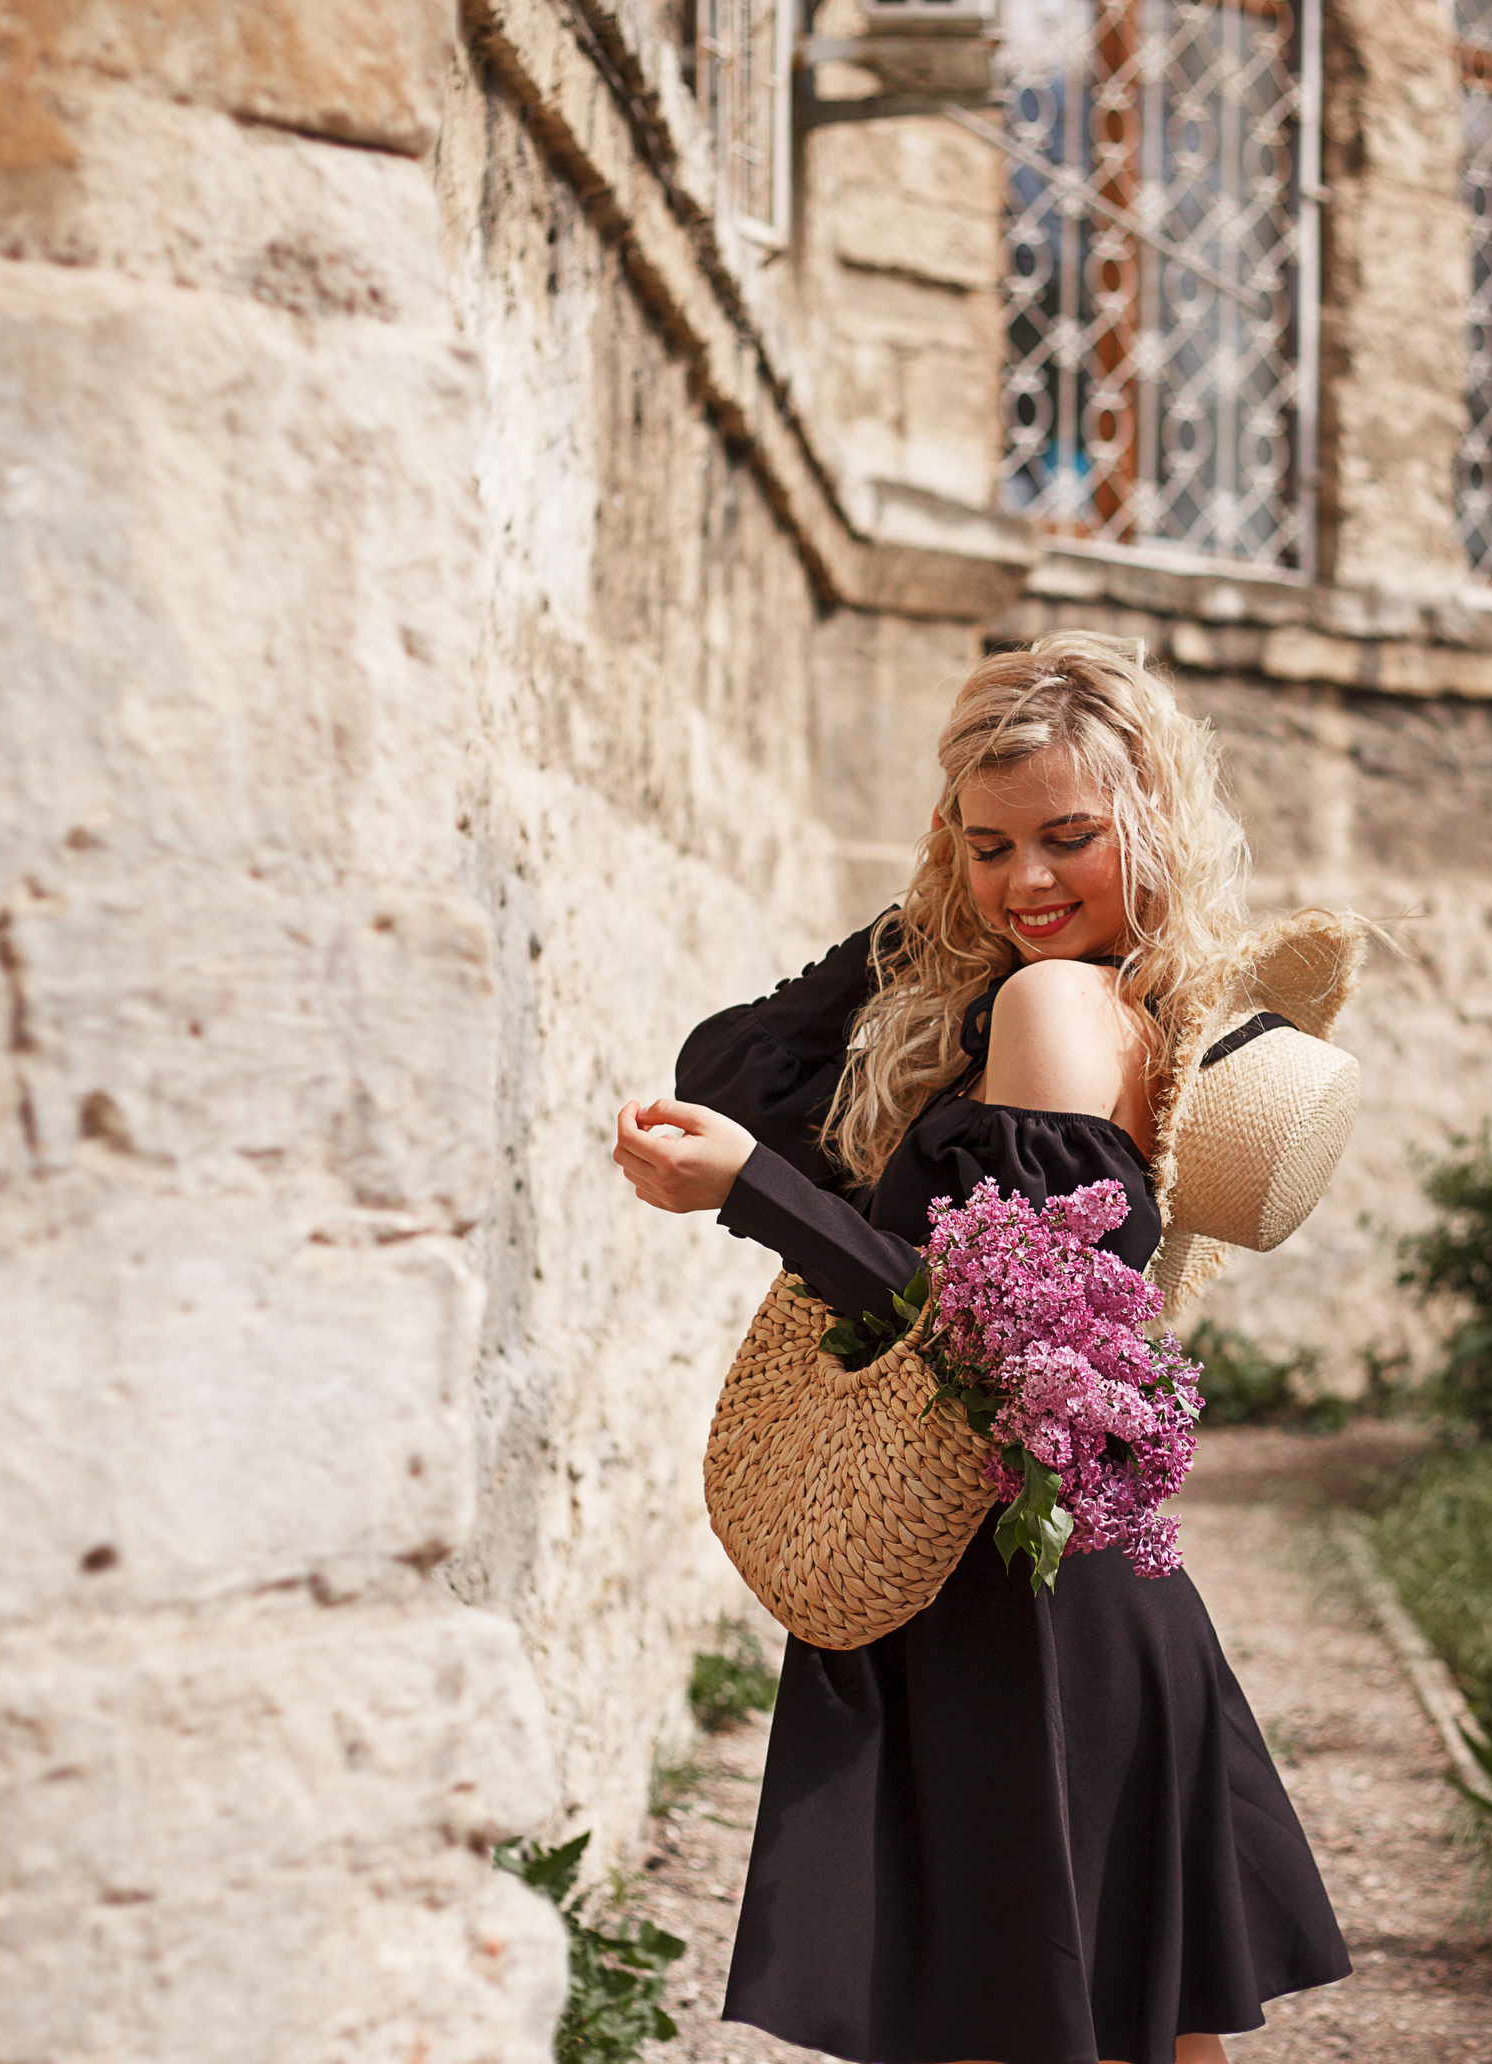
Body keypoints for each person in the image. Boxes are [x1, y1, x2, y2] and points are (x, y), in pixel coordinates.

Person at [609, 633, 1351, 2064]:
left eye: (1069, 840)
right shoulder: (1082, 996)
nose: (1026, 885)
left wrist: (747, 1194)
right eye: (990, 844)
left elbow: (999, 1347)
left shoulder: (1052, 1009)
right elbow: (735, 1065)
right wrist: (939, 891)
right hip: (1042, 1589)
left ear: (1148, 823)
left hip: (1015, 1617)